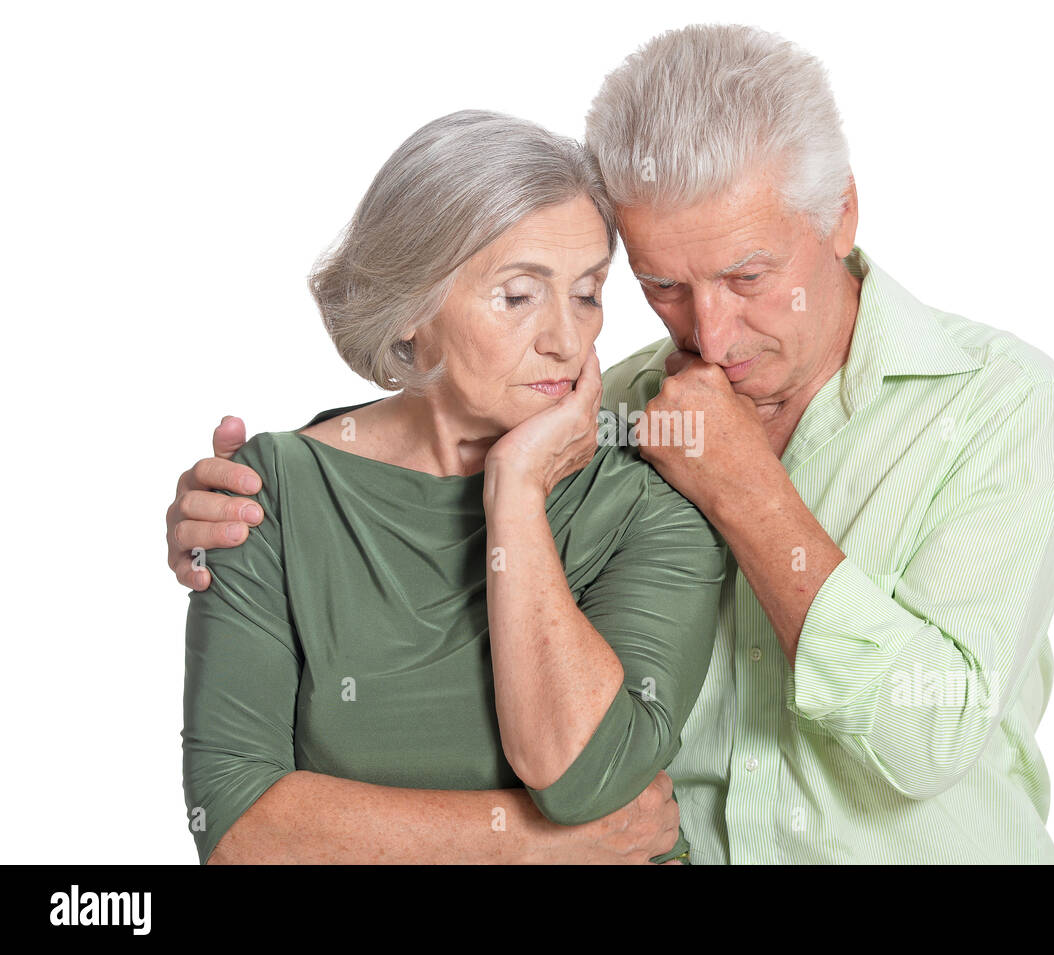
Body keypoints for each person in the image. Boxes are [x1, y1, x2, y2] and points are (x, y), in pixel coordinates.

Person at [170, 24, 1054, 864]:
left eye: (747, 276)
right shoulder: (614, 410)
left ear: (841, 215)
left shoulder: (999, 402)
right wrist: (266, 494)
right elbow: (434, 425)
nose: (711, 336)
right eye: (660, 285)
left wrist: (742, 490)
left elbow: (932, 736)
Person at [178, 109, 725, 864]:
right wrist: (537, 847)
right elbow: (237, 826)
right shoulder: (269, 492)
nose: (567, 340)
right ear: (411, 312)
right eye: (518, 294)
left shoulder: (649, 502)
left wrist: (517, 493)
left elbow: (586, 777)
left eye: (588, 292)